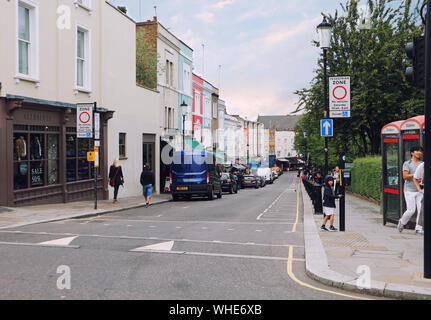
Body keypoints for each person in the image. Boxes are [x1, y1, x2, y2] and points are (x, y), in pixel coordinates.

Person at [398, 146, 423, 233]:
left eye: (420, 151)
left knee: (421, 210)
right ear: (412, 153)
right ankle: (402, 222)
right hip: (409, 190)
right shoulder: (407, 163)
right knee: (411, 210)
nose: (419, 153)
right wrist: (415, 174)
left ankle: (418, 228)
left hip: (420, 190)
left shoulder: (422, 164)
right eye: (417, 151)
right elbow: (405, 176)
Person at [413, 161, 424, 234]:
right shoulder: (423, 165)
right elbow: (415, 177)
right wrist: (419, 189)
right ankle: (419, 227)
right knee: (422, 208)